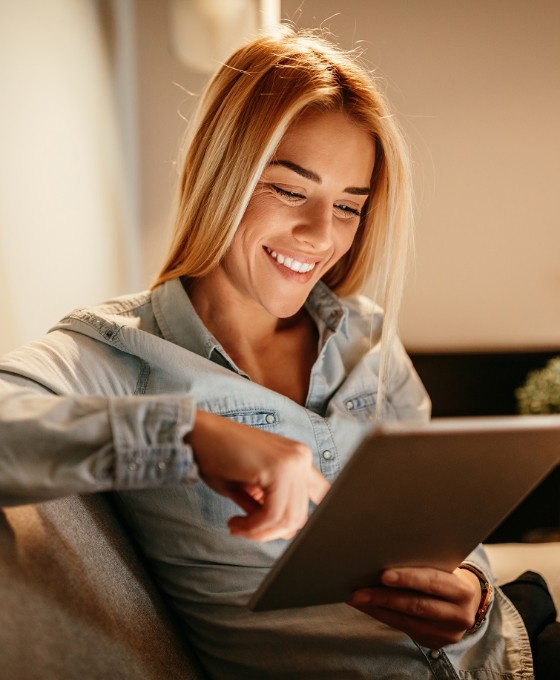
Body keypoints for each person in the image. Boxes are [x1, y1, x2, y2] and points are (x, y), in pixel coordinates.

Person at [0, 26, 557, 680]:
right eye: (291, 190)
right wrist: (189, 434)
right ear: (220, 174)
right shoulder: (118, 352)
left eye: (349, 206)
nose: (322, 236)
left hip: (511, 658)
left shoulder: (368, 337)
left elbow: (443, 540)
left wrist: (472, 589)